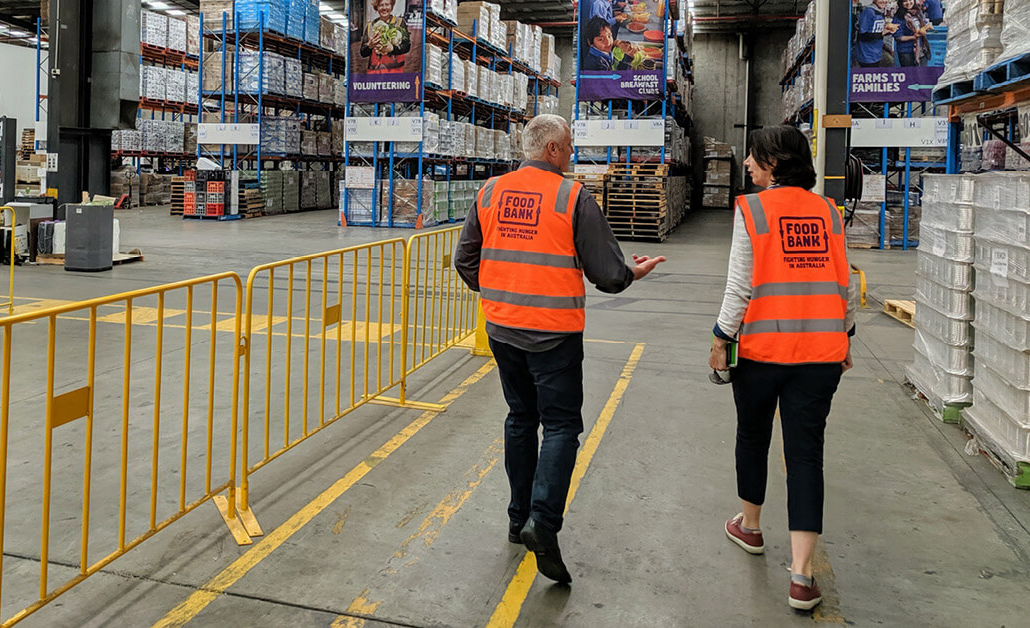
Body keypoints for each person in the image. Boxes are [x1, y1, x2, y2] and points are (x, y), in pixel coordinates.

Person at [455, 114, 665, 584]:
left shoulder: (490, 192)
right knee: (561, 426)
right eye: (568, 146)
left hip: (502, 330)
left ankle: (517, 519)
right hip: (554, 335)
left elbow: (465, 259)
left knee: (520, 418)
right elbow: (607, 273)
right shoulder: (573, 197)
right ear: (551, 149)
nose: (571, 154)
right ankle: (543, 523)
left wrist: (501, 293)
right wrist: (632, 273)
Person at [710, 125, 856, 612]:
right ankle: (801, 575)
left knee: (753, 437)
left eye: (754, 157)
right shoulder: (829, 212)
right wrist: (846, 337)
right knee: (805, 455)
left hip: (761, 353)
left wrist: (720, 338)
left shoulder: (752, 210)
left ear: (773, 162)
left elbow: (740, 287)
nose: (748, 164)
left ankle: (750, 527)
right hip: (819, 355)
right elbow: (844, 284)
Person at [360, 0, 411, 74]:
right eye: (381, 5)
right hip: (374, 73)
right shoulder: (370, 26)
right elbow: (363, 53)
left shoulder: (399, 23)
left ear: (391, 6)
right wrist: (369, 45)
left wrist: (392, 49)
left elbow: (407, 46)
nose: (384, 8)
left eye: (387, 4)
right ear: (376, 7)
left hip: (395, 72)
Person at [853, 0, 898, 67]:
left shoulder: (880, 12)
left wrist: (888, 31)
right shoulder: (868, 12)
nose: (884, 1)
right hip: (866, 55)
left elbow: (875, 31)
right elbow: (863, 36)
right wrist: (882, 33)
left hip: (876, 54)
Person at [894, 0, 932, 67]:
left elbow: (924, 23)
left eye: (910, 0)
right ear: (901, 3)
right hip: (906, 52)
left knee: (922, 72)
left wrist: (926, 28)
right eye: (905, 1)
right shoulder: (898, 17)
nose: (908, 3)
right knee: (909, 73)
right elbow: (898, 36)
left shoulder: (918, 12)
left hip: (921, 49)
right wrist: (913, 37)